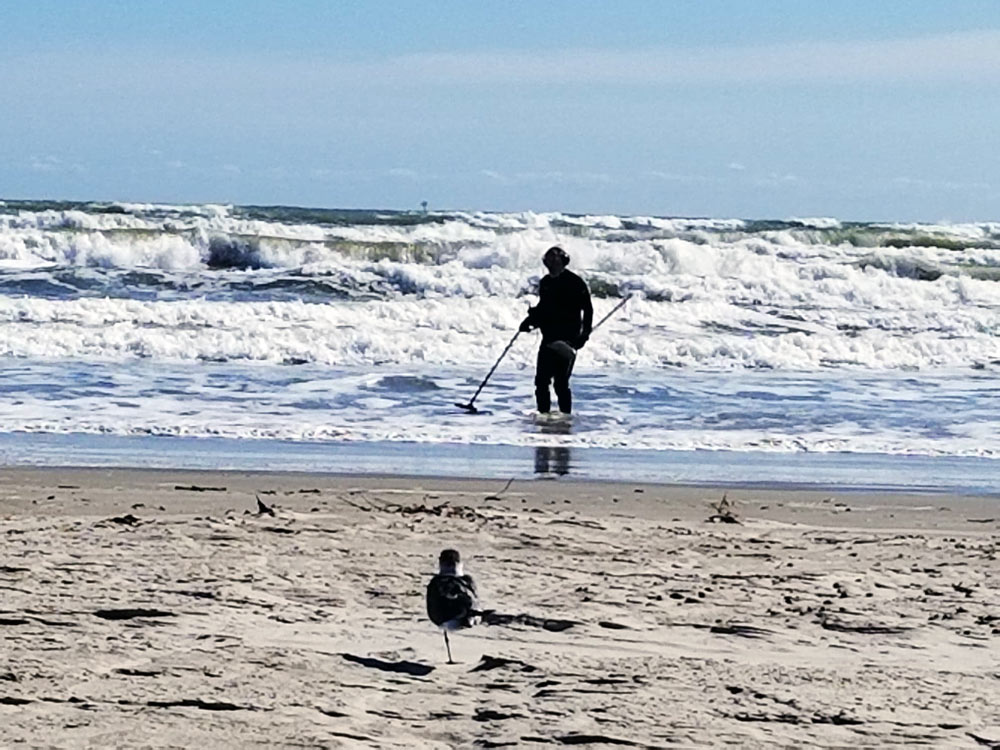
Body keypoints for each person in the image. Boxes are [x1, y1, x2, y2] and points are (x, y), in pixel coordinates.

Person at [519, 246, 593, 414]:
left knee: (560, 383)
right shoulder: (545, 283)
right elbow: (544, 309)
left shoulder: (575, 282)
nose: (551, 261)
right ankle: (543, 416)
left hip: (567, 339)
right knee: (541, 382)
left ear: (563, 261)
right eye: (549, 258)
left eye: (555, 258)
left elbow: (588, 310)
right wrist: (530, 322)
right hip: (549, 338)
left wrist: (584, 335)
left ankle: (566, 417)